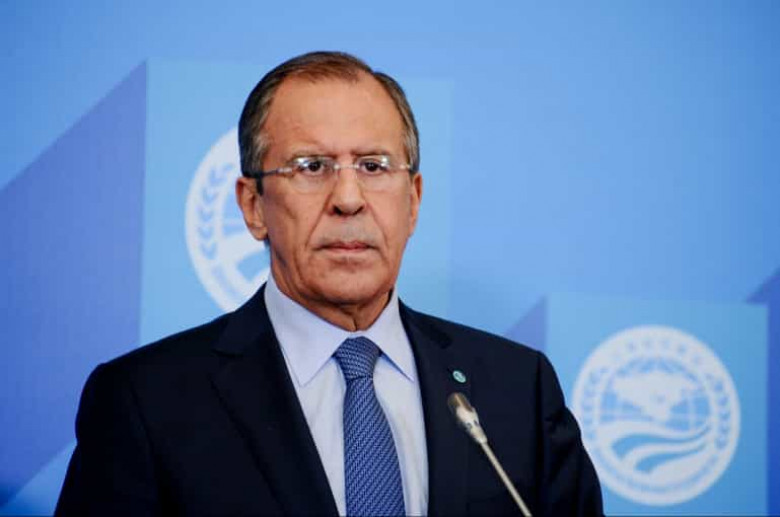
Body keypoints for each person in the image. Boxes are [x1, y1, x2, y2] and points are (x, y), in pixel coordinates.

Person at [56, 51, 603, 516]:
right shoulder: (146, 402)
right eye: (311, 167)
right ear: (253, 206)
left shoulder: (518, 389)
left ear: (413, 201)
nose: (347, 199)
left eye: (374, 166)